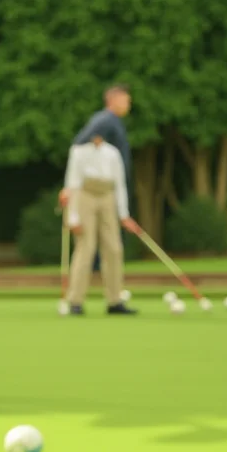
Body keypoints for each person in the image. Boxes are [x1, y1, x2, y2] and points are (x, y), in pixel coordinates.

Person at [63, 135, 140, 315]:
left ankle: (115, 301)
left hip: (107, 197)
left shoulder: (112, 152)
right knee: (85, 247)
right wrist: (72, 217)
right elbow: (72, 182)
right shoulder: (78, 150)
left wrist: (124, 214)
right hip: (85, 195)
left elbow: (120, 184)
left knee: (114, 248)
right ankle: (75, 301)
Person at [60, 84, 133, 272]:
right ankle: (92, 273)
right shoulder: (105, 120)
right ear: (113, 100)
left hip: (112, 186)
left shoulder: (114, 121)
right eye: (125, 99)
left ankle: (110, 288)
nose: (128, 103)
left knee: (111, 243)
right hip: (96, 190)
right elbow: (79, 145)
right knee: (91, 241)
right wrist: (70, 186)